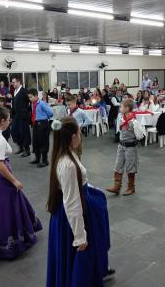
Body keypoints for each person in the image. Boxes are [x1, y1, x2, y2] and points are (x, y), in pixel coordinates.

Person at [46, 117, 113, 287]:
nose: (81, 135)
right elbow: (72, 203)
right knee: (81, 253)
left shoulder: (65, 155)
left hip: (76, 207)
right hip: (73, 216)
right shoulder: (67, 164)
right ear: (73, 137)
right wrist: (80, 236)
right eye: (79, 132)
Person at [0, 106, 42, 265]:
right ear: (2, 121)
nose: (10, 121)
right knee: (5, 212)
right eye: (8, 118)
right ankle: (9, 245)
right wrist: (14, 181)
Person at [107, 98, 145, 196]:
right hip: (121, 146)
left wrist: (134, 135)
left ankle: (131, 187)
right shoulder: (122, 118)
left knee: (130, 167)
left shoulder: (134, 121)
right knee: (118, 165)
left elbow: (140, 135)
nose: (120, 108)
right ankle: (117, 186)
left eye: (121, 107)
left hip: (131, 147)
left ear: (127, 108)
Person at [28, 89, 54, 168]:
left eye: (31, 97)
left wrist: (45, 119)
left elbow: (51, 112)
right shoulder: (33, 104)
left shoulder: (42, 103)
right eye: (29, 97)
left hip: (43, 124)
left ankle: (45, 160)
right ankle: (37, 158)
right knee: (35, 141)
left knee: (43, 142)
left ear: (36, 96)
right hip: (35, 124)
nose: (30, 99)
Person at [11, 78, 31, 157]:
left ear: (19, 82)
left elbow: (29, 102)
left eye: (14, 82)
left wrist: (25, 111)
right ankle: (20, 146)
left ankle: (27, 149)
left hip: (23, 116)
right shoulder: (14, 91)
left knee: (24, 133)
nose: (13, 84)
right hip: (16, 115)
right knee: (14, 131)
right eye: (12, 83)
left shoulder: (24, 91)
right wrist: (12, 115)